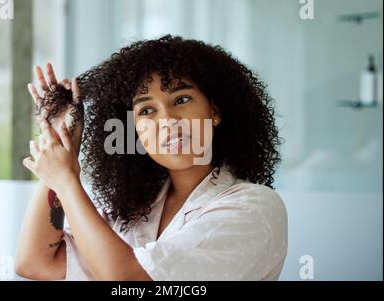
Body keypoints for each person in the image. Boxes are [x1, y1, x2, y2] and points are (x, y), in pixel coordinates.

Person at [15, 35, 288, 281]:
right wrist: (63, 146)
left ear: (214, 111)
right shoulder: (133, 210)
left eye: (181, 100)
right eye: (146, 110)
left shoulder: (254, 207)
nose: (167, 121)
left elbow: (131, 280)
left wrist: (66, 181)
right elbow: (35, 263)